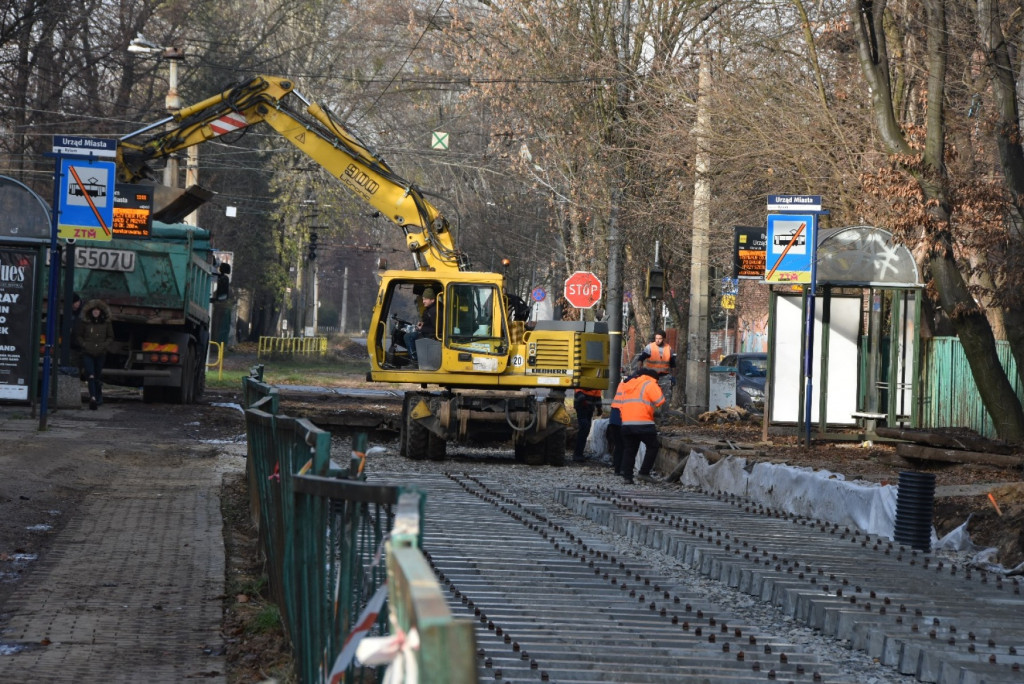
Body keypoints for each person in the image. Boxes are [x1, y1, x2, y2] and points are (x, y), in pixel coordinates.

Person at [618, 368, 666, 484]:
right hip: (643, 422)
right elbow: (660, 401)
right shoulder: (650, 384)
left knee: (629, 449)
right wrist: (659, 389)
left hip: (627, 423)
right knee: (653, 446)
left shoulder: (629, 384)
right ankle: (644, 472)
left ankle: (627, 477)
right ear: (654, 378)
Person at [74, 298, 115, 410]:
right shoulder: (86, 323)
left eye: (98, 311)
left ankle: (98, 395)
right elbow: (79, 335)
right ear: (91, 312)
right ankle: (93, 397)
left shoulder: (106, 323)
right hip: (88, 352)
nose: (96, 312)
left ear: (101, 312)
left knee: (97, 375)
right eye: (94, 310)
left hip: (100, 353)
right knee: (90, 375)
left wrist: (104, 345)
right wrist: (84, 345)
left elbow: (110, 336)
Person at [636, 329, 676, 405]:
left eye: (659, 339)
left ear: (664, 339)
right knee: (650, 396)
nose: (657, 340)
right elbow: (641, 359)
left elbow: (673, 364)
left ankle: (663, 415)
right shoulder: (650, 347)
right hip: (651, 377)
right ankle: (651, 413)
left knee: (665, 397)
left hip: (664, 377)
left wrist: (673, 377)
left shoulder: (669, 349)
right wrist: (639, 369)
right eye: (656, 338)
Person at [405, 287, 438, 367]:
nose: (423, 302)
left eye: (425, 299)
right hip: (427, 332)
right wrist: (423, 323)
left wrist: (422, 329)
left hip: (431, 335)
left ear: (432, 300)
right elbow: (430, 323)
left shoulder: (434, 311)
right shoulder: (431, 309)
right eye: (423, 299)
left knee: (408, 337)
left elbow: (437, 328)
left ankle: (415, 360)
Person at [572, 387, 603, 462]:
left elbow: (598, 397)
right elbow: (578, 392)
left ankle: (579, 453)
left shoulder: (596, 384)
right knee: (584, 428)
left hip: (588, 407)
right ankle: (578, 454)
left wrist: (599, 408)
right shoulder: (586, 381)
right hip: (582, 406)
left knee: (586, 429)